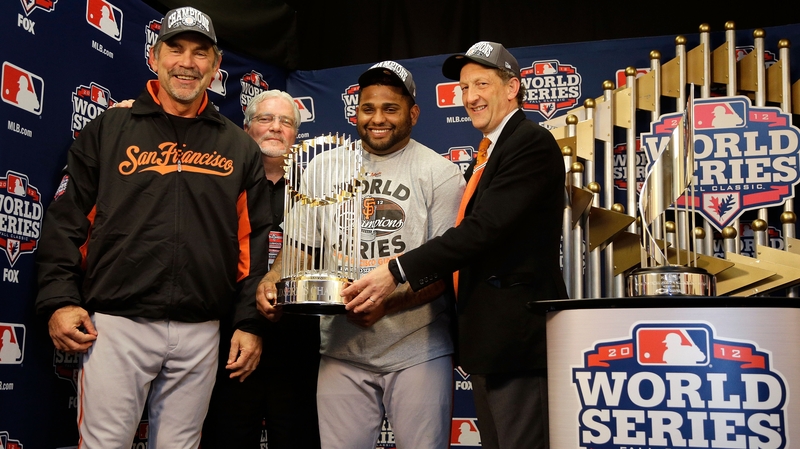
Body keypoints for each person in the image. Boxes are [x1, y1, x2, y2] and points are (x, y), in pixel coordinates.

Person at [35, 7, 271, 448]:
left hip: (202, 328)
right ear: (155, 56)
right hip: (116, 324)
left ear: (216, 66)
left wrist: (249, 322)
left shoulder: (238, 146)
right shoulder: (110, 128)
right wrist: (60, 300)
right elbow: (66, 222)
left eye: (201, 53)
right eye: (176, 49)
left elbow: (254, 244)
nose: (188, 63)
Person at [343, 42, 569, 449]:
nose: (470, 97)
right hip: (490, 342)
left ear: (513, 87)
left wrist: (395, 271)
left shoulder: (530, 142)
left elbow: (482, 231)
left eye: (481, 84)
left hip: (517, 341)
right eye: (464, 88)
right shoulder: (492, 150)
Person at [257, 61, 465, 449]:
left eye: (391, 108)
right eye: (368, 108)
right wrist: (273, 280)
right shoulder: (322, 167)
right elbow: (300, 247)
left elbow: (445, 269)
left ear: (413, 114)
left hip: (416, 349)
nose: (377, 118)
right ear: (356, 112)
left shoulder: (441, 174)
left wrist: (388, 303)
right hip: (341, 349)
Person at [201, 90, 321, 449]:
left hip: (297, 340)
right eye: (266, 119)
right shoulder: (221, 183)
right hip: (232, 336)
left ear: (295, 135)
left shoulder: (314, 191)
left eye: (286, 122)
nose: (275, 128)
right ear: (247, 127)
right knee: (229, 437)